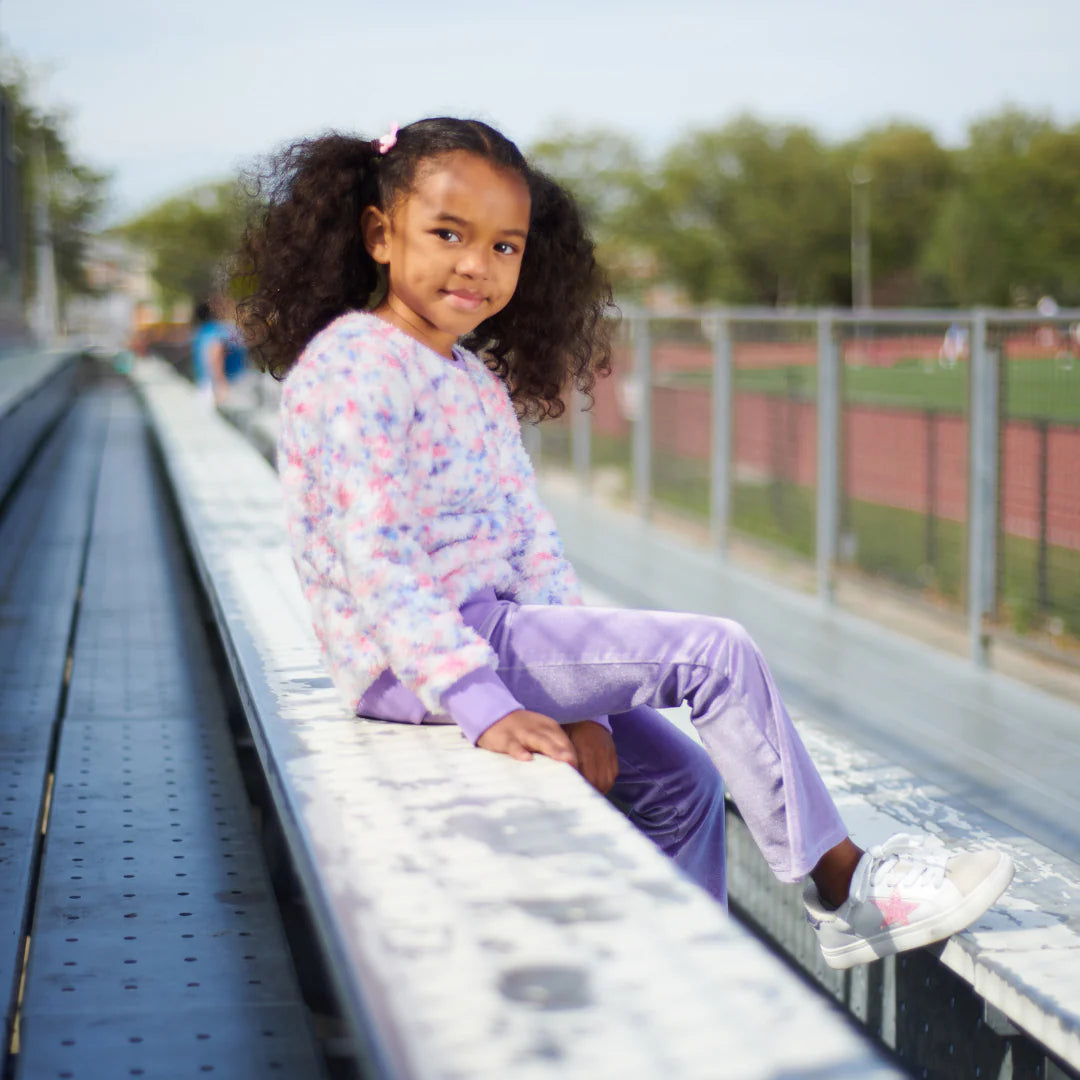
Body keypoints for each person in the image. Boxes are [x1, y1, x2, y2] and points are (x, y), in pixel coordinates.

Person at [236, 117, 1013, 970]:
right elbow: (375, 555)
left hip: (496, 636)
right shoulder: (353, 365)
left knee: (683, 782)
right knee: (714, 652)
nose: (475, 264)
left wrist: (591, 705)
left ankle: (679, 974)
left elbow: (530, 542)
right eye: (448, 234)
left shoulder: (470, 378)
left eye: (505, 247)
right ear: (381, 235)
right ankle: (846, 886)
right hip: (429, 658)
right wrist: (479, 701)